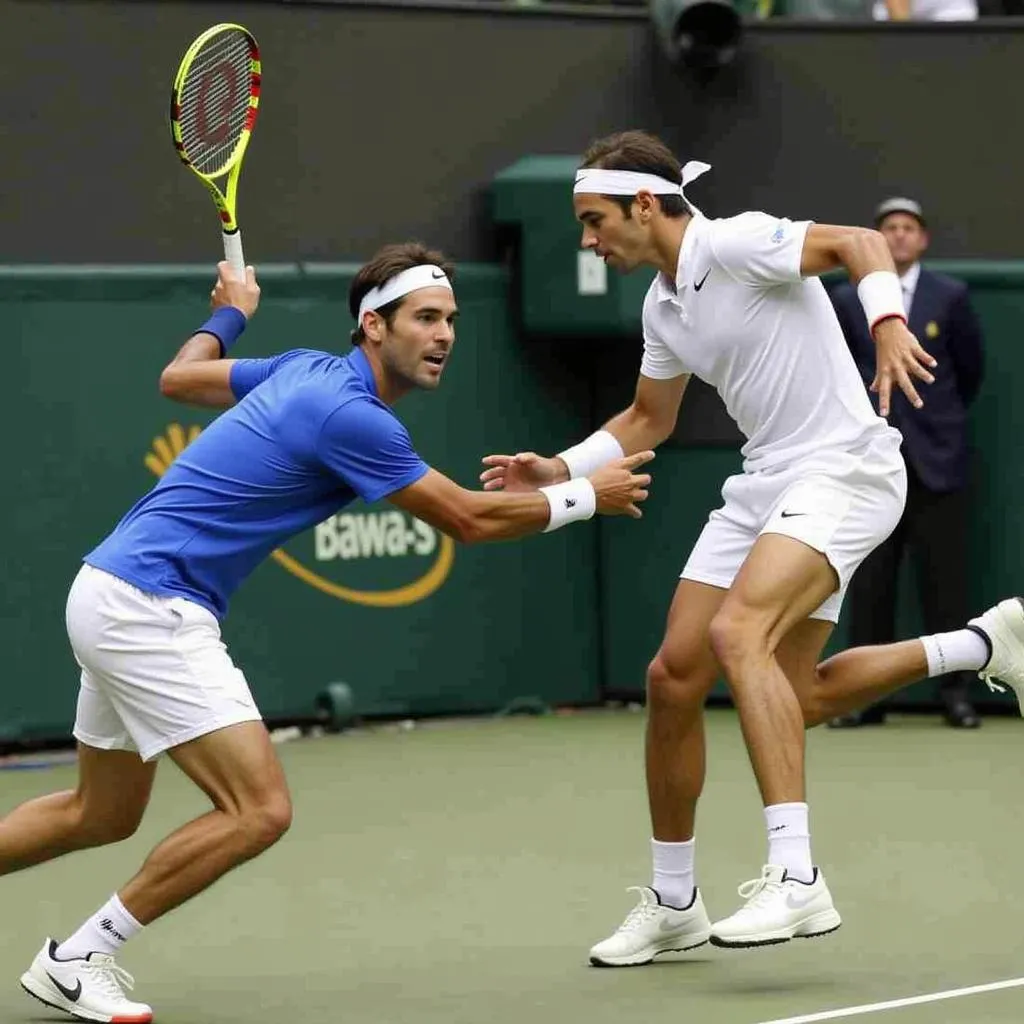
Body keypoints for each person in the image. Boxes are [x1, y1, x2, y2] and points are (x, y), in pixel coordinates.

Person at [5, 243, 654, 1023]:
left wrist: (230, 315)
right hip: (150, 604)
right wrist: (586, 493)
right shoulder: (349, 414)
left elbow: (179, 376)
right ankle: (78, 957)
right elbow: (467, 520)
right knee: (259, 810)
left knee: (99, 814)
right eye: (424, 318)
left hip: (107, 588)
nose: (444, 334)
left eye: (451, 319)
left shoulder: (304, 369)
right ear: (374, 327)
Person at [479, 130, 1024, 963]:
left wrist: (885, 322)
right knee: (689, 679)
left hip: (847, 469)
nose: (588, 241)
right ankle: (674, 902)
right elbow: (647, 420)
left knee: (741, 637)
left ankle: (799, 881)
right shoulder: (664, 304)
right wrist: (555, 464)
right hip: (767, 482)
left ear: (647, 205)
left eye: (596, 221)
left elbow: (860, 242)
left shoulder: (734, 243)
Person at [829, 197, 985, 729]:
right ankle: (865, 698)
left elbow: (969, 372)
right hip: (869, 464)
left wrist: (936, 427)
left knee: (944, 584)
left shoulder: (951, 296)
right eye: (888, 228)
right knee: (869, 584)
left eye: (908, 228)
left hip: (938, 464)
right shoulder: (846, 300)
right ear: (876, 239)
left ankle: (955, 695)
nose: (898, 236)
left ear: (922, 240)